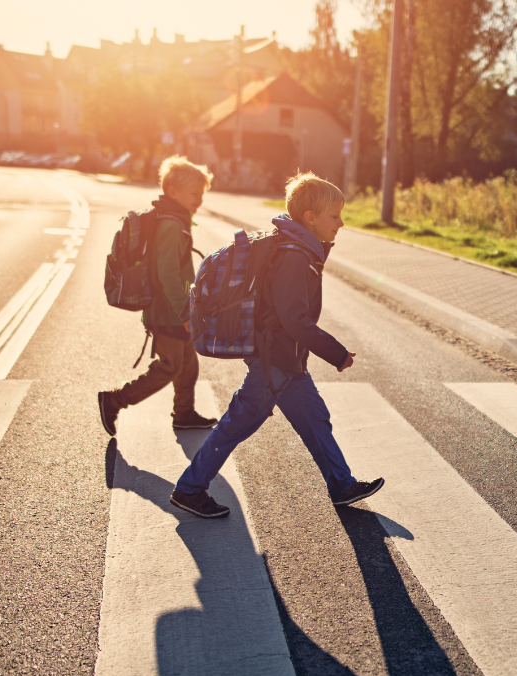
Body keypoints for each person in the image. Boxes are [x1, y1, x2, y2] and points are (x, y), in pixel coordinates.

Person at [168, 172, 384, 519]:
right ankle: (190, 489)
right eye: (335, 216)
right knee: (236, 425)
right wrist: (337, 354)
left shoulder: (299, 249)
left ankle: (342, 485)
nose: (341, 223)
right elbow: (293, 319)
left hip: (287, 361)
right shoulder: (295, 256)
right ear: (310, 218)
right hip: (275, 360)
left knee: (315, 420)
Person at [98, 156, 218, 436]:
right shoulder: (172, 226)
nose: (199, 200)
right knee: (169, 366)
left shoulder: (173, 220)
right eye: (194, 194)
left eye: (202, 194)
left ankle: (185, 413)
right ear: (173, 192)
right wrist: (182, 312)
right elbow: (166, 274)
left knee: (188, 364)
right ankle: (114, 400)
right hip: (168, 310)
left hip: (174, 307)